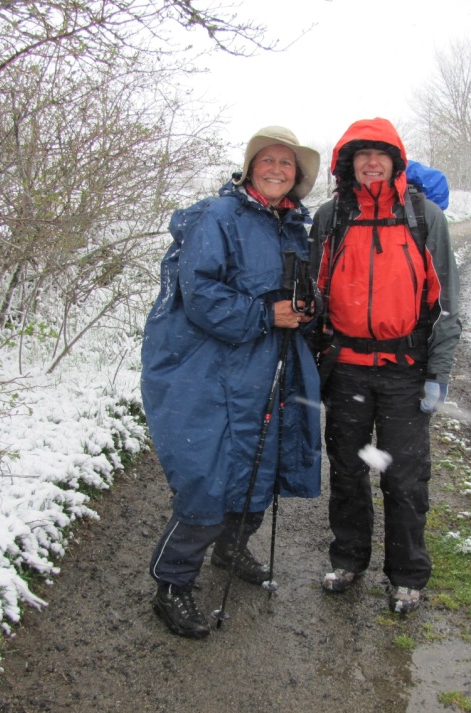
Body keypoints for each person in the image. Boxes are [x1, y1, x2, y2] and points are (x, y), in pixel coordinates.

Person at [141, 126, 323, 639]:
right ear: (249, 168)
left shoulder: (292, 225)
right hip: (209, 369)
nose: (276, 169)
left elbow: (293, 294)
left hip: (269, 367)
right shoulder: (218, 216)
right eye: (267, 160)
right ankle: (172, 584)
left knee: (262, 466)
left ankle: (230, 548)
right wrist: (268, 314)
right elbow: (199, 294)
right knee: (209, 479)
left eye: (286, 163)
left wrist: (306, 307)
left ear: (297, 177)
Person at [309, 117, 460, 614]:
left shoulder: (423, 217)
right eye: (361, 154)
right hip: (346, 369)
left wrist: (438, 372)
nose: (371, 162)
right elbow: (314, 296)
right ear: (348, 164)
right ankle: (348, 560)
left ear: (397, 163)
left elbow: (446, 306)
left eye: (381, 154)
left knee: (405, 478)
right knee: (347, 471)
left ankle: (407, 576)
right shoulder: (332, 217)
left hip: (404, 371)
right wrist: (310, 360)